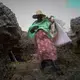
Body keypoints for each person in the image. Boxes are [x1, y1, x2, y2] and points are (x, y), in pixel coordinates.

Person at [28, 10, 63, 75]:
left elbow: (53, 22)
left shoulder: (46, 21)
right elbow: (31, 30)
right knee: (41, 51)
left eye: (40, 16)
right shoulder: (34, 23)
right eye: (38, 16)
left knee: (49, 49)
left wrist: (52, 18)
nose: (39, 17)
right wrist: (34, 28)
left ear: (42, 16)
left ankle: (55, 67)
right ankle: (44, 67)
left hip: (45, 37)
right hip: (38, 39)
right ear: (36, 17)